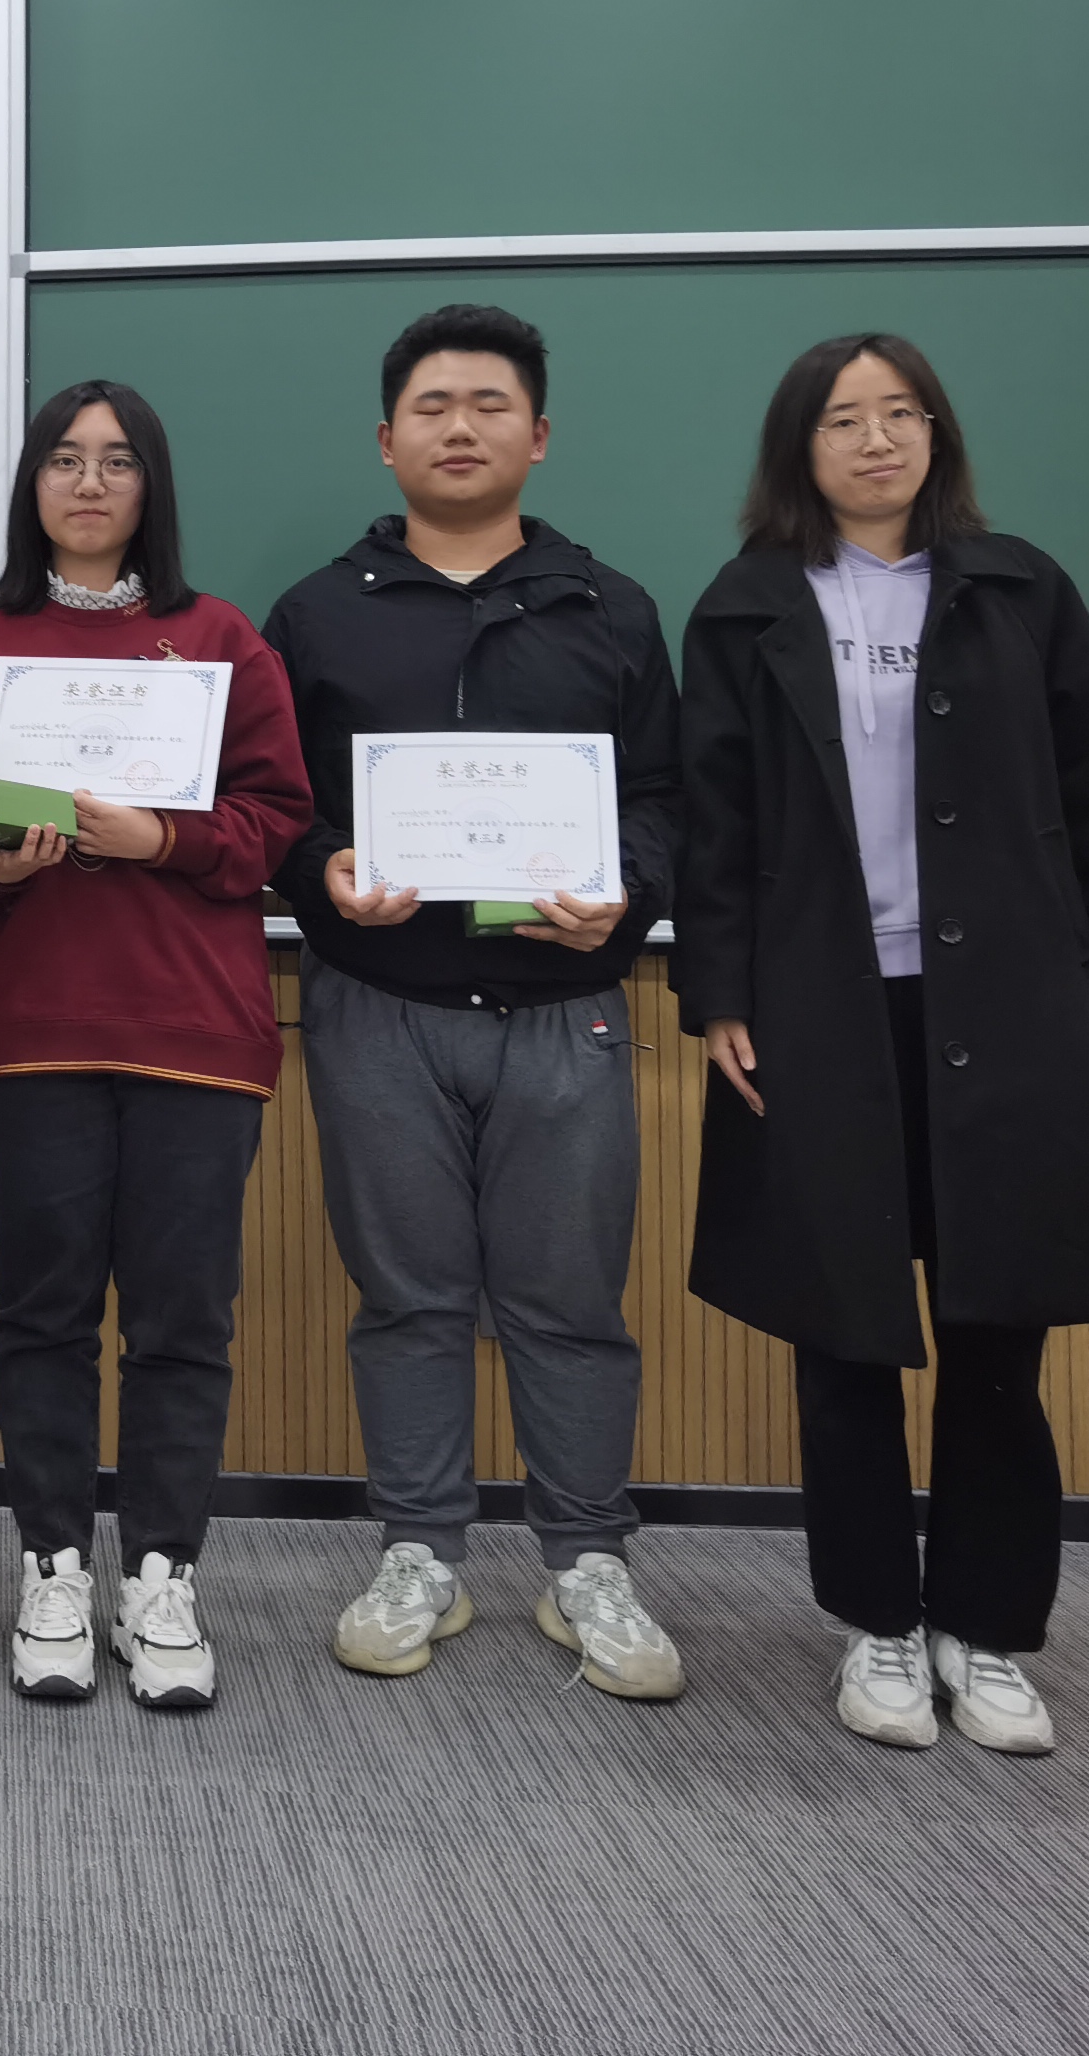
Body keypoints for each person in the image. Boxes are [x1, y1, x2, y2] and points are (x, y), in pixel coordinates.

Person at [674, 333, 1089, 1757]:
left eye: (902, 414)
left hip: (1007, 1004)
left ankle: (988, 1630)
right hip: (820, 1007)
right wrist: (720, 993)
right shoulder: (748, 604)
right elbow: (715, 819)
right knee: (844, 1331)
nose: (877, 439)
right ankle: (877, 1623)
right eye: (844, 419)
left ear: (938, 435)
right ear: (801, 448)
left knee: (998, 1329)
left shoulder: (1020, 591)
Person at [263, 304, 688, 1701]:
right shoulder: (315, 614)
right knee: (408, 1298)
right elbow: (273, 804)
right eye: (433, 407)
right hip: (377, 1001)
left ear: (539, 436)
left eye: (490, 405)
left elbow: (667, 798)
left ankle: (588, 1561)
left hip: (567, 1006)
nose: (461, 427)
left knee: (571, 1300)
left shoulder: (611, 607)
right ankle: (420, 1552)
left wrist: (629, 884)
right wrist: (322, 872)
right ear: (387, 440)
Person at [0, 381, 313, 1709]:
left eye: (116, 462)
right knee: (40, 1313)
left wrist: (159, 836)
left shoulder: (219, 641)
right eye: (64, 460)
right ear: (33, 486)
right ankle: (52, 1567)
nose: (89, 483)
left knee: (181, 1321)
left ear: (150, 486)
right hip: (37, 1033)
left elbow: (275, 822)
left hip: (196, 1035)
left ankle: (161, 1576)